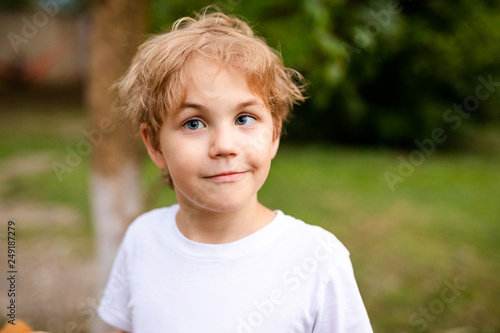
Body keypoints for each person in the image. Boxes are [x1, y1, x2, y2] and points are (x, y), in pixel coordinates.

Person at [97, 8, 373, 333]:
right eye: (194, 123)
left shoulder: (318, 260)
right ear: (155, 146)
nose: (224, 145)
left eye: (244, 118)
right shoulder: (142, 240)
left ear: (274, 134)